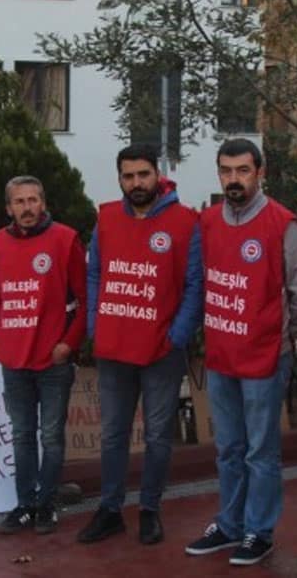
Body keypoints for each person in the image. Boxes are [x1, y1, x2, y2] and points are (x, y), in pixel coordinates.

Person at [183, 138, 297, 566]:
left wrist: (279, 334)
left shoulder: (283, 225)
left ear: (261, 172)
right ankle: (230, 524)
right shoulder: (207, 221)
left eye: (243, 170)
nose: (234, 179)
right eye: (226, 171)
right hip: (222, 355)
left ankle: (259, 531)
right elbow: (203, 279)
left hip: (265, 358)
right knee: (228, 448)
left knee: (261, 451)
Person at [77, 144, 203, 546]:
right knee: (113, 434)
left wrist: (177, 336)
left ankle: (150, 508)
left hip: (161, 351)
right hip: (114, 347)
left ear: (157, 174)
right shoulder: (107, 217)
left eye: (143, 174)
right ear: (119, 179)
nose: (136, 183)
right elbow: (94, 272)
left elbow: (195, 285)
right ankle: (110, 509)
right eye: (128, 176)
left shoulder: (185, 221)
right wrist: (95, 323)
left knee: (158, 437)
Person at [0, 176, 86, 535]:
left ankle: (46, 505)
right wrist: (0, 342)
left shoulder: (65, 239)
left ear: (43, 203)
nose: (27, 208)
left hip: (53, 362)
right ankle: (25, 505)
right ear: (9, 208)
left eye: (33, 200)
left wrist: (68, 344)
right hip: (14, 362)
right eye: (19, 202)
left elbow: (86, 299)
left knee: (51, 438)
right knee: (21, 436)